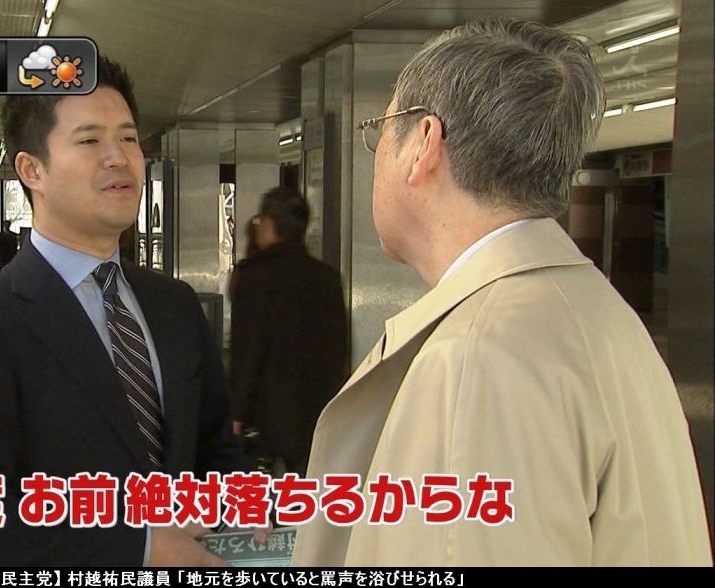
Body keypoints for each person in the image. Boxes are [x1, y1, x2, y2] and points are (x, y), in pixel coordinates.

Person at [291, 18, 712, 566]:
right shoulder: (596, 311)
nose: (376, 154)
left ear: (424, 143)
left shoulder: (475, 357)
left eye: (382, 128)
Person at [0, 55, 249, 566]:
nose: (119, 158)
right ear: (33, 170)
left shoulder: (174, 305)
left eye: (129, 138)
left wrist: (238, 509)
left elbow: (214, 449)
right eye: (90, 141)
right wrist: (141, 548)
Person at [229, 187, 348, 477]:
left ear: (270, 224)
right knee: (307, 491)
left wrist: (236, 414)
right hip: (316, 415)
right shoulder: (327, 278)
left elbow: (247, 352)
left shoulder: (254, 276)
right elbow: (339, 348)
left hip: (267, 419)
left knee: (261, 494)